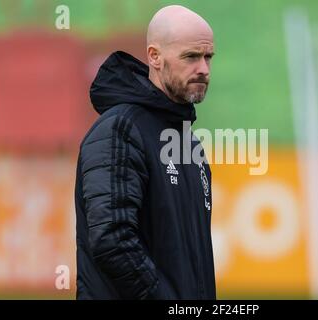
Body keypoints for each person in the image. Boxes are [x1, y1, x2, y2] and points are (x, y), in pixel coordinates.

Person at [74, 5, 216, 299]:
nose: (203, 69)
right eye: (191, 56)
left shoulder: (190, 144)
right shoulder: (120, 130)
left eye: (208, 57)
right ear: (155, 56)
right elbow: (113, 240)